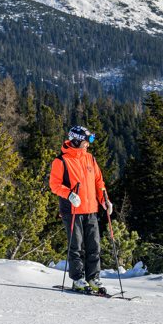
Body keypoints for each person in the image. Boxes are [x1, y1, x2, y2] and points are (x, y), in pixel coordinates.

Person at [48, 124, 113, 292]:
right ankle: (78, 279)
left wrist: (104, 200)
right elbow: (54, 185)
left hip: (91, 209)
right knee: (76, 247)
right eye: (86, 140)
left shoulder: (90, 158)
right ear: (76, 141)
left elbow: (99, 182)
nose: (88, 144)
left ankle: (93, 278)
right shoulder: (61, 161)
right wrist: (69, 195)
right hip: (72, 210)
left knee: (94, 246)